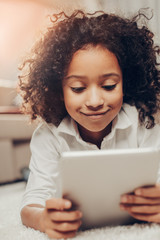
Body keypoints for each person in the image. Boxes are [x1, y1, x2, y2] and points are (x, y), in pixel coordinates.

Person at [19, 9, 160, 239]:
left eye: (109, 86)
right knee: (31, 178)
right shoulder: (49, 136)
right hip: (49, 163)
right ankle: (26, 173)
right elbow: (29, 207)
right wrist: (43, 219)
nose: (95, 102)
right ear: (59, 90)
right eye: (78, 88)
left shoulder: (143, 122)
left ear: (127, 82)